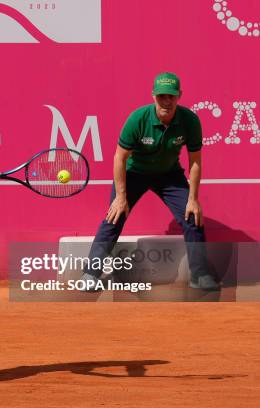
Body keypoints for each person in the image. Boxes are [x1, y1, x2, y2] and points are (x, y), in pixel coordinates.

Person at [81, 72, 219, 291]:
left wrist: (193, 198)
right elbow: (120, 157)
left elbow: (195, 161)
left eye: (171, 96)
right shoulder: (138, 119)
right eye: (162, 96)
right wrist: (121, 197)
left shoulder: (190, 121)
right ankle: (90, 273)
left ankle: (200, 274)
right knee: (114, 216)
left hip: (169, 174)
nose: (166, 101)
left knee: (192, 216)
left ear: (179, 96)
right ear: (153, 95)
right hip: (134, 172)